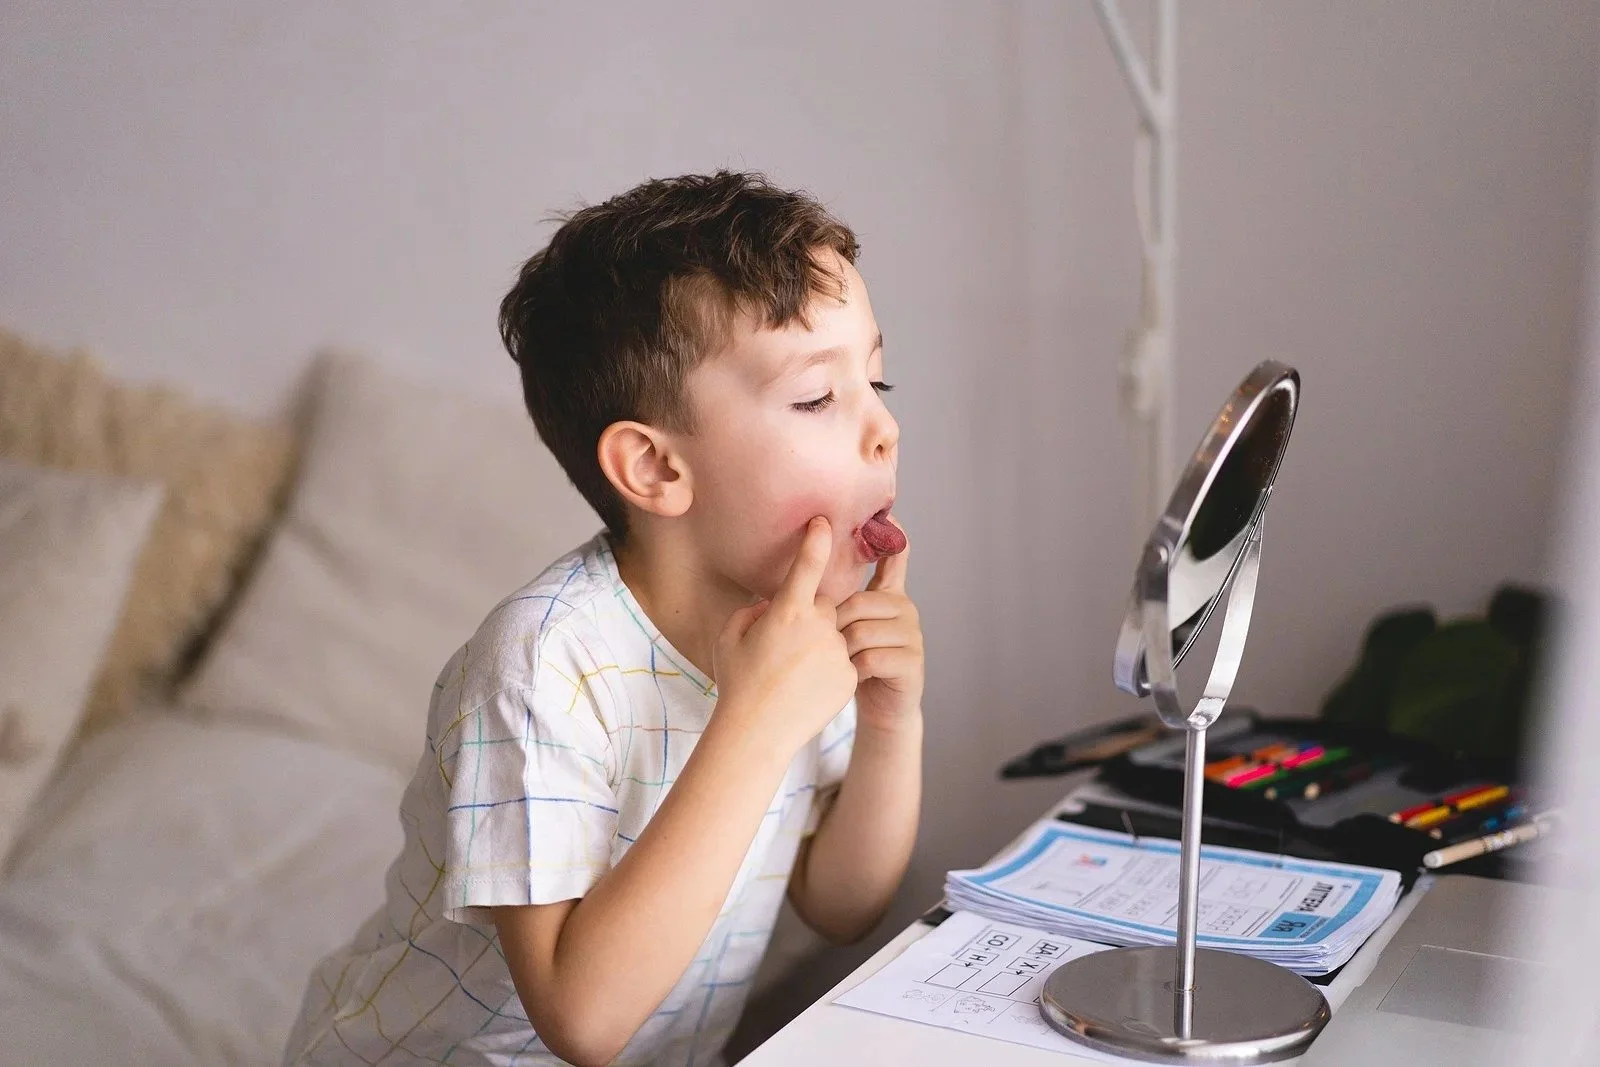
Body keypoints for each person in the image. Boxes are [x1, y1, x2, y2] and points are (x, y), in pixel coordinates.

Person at [283, 171, 924, 1066]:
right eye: (819, 397)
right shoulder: (540, 665)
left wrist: (891, 721)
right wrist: (756, 721)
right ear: (656, 469)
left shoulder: (799, 631)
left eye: (878, 378)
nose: (884, 428)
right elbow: (582, 1018)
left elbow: (840, 906)